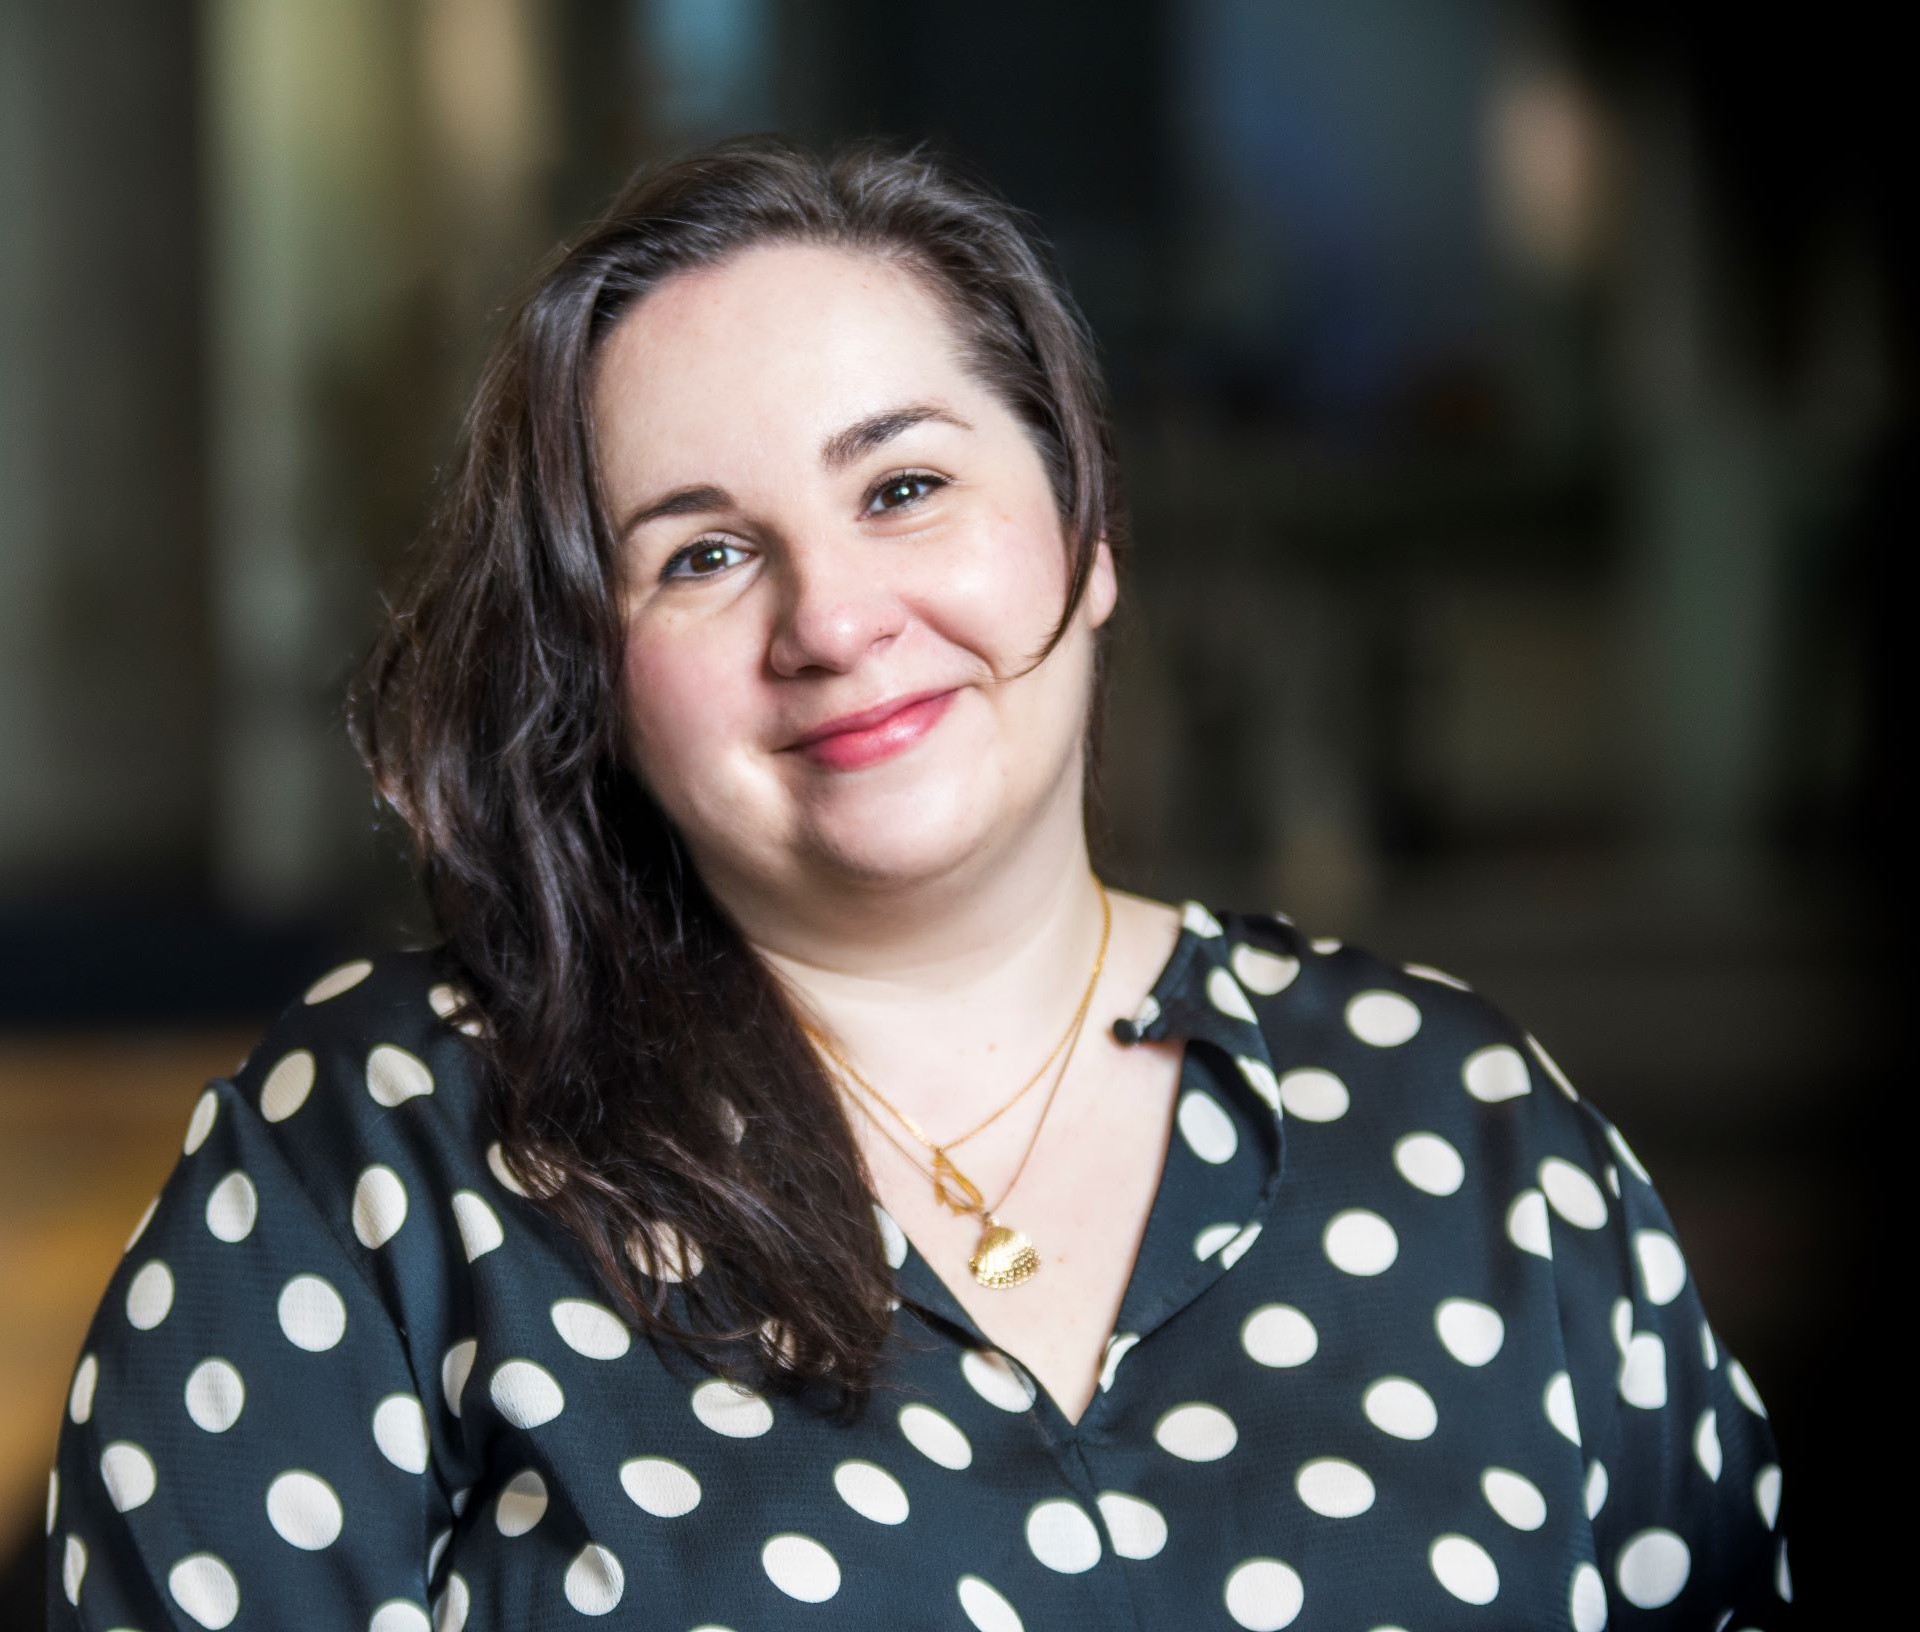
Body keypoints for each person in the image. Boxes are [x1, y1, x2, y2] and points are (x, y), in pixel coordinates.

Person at [47, 134, 1792, 1631]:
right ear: (597, 672)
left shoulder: (1473, 1129)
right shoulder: (381, 1154)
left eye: (904, 484)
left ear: (1085, 531)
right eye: (705, 553)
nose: (833, 621)